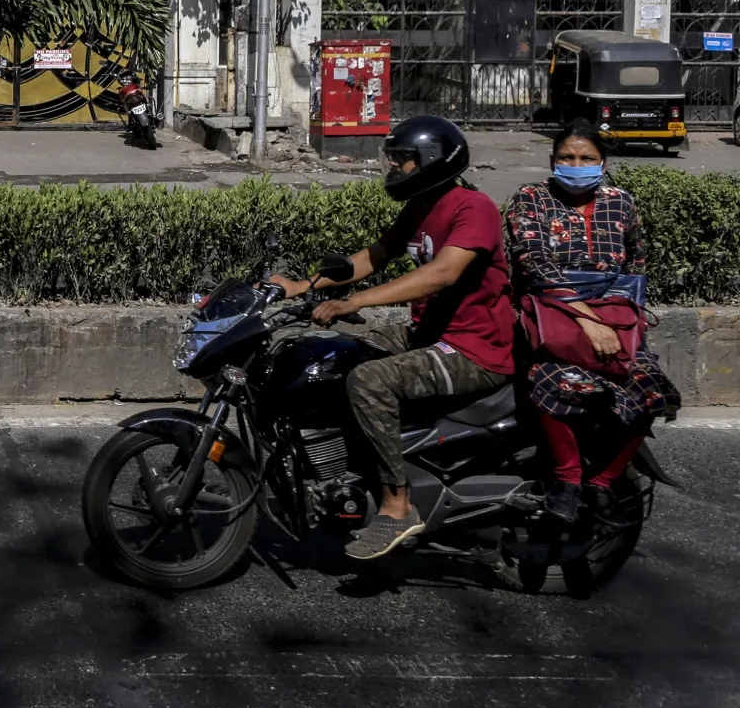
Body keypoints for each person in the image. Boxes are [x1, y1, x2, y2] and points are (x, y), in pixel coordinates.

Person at [271, 116, 514, 561]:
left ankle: (397, 504)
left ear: (435, 161)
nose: (395, 168)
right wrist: (303, 287)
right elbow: (375, 256)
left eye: (403, 160)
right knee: (334, 356)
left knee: (370, 381)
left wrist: (354, 302)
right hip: (430, 334)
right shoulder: (422, 205)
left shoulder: (471, 208)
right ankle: (350, 463)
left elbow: (442, 274)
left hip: (472, 348)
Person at [503, 123, 679, 524]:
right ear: (553, 161)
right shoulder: (532, 199)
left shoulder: (621, 202)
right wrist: (588, 321)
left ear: (603, 163)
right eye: (568, 158)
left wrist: (625, 323)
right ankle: (566, 479)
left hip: (613, 319)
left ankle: (603, 480)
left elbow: (635, 263)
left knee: (653, 393)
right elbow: (535, 266)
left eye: (587, 159)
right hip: (552, 318)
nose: (577, 165)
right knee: (555, 383)